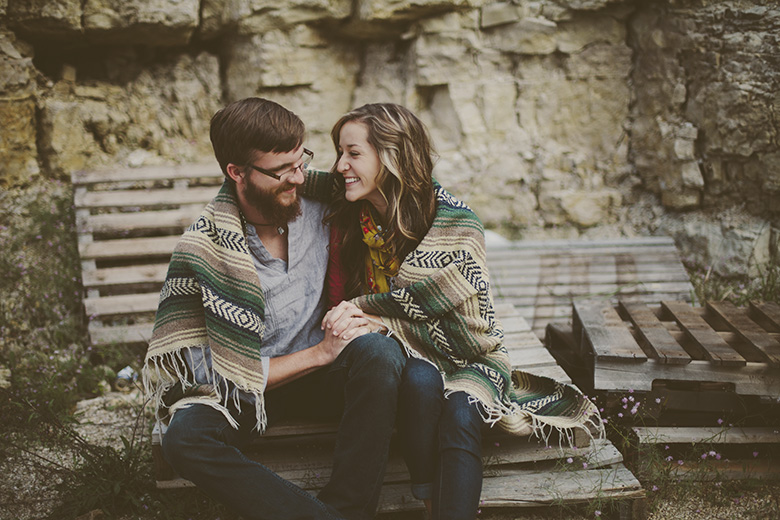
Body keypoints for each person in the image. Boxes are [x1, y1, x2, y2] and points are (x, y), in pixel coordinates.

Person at [307, 103, 603, 519]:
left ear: (392, 157)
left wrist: (376, 315)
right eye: (340, 152)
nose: (340, 165)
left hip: (468, 354)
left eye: (353, 153)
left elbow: (454, 313)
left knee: (461, 410)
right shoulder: (356, 213)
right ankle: (432, 503)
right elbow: (288, 176)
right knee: (421, 379)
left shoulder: (456, 223)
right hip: (403, 357)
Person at [143, 97, 407, 520]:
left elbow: (403, 187)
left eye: (302, 161)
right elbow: (207, 372)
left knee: (379, 352)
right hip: (247, 388)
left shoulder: (326, 203)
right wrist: (319, 353)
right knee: (184, 440)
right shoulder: (204, 250)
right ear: (237, 172)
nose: (298, 177)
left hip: (325, 380)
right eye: (283, 170)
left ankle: (347, 508)